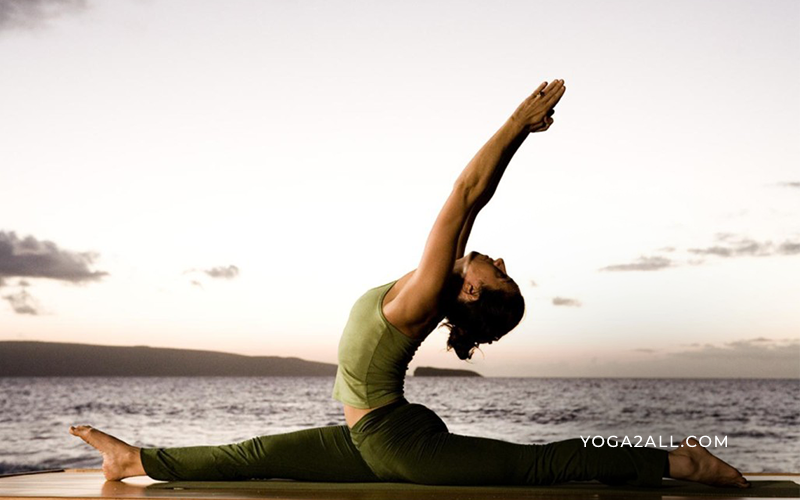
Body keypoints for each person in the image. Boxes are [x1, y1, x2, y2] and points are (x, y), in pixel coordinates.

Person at [70, 79, 750, 489]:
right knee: (249, 456)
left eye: (499, 272)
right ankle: (130, 460)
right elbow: (475, 201)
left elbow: (465, 192)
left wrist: (517, 124)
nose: (496, 258)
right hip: (374, 435)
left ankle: (675, 462)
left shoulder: (426, 294)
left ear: (473, 294)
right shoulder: (440, 279)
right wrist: (519, 137)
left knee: (540, 465)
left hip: (397, 444)